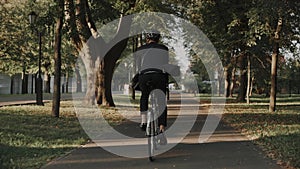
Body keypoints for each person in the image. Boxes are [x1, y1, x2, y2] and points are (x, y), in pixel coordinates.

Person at [135, 30, 169, 145]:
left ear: (147, 39)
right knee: (161, 101)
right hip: (158, 76)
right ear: (158, 39)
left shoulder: (140, 50)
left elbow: (138, 67)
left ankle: (144, 121)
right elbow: (166, 66)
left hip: (144, 76)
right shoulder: (164, 49)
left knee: (144, 95)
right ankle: (161, 129)